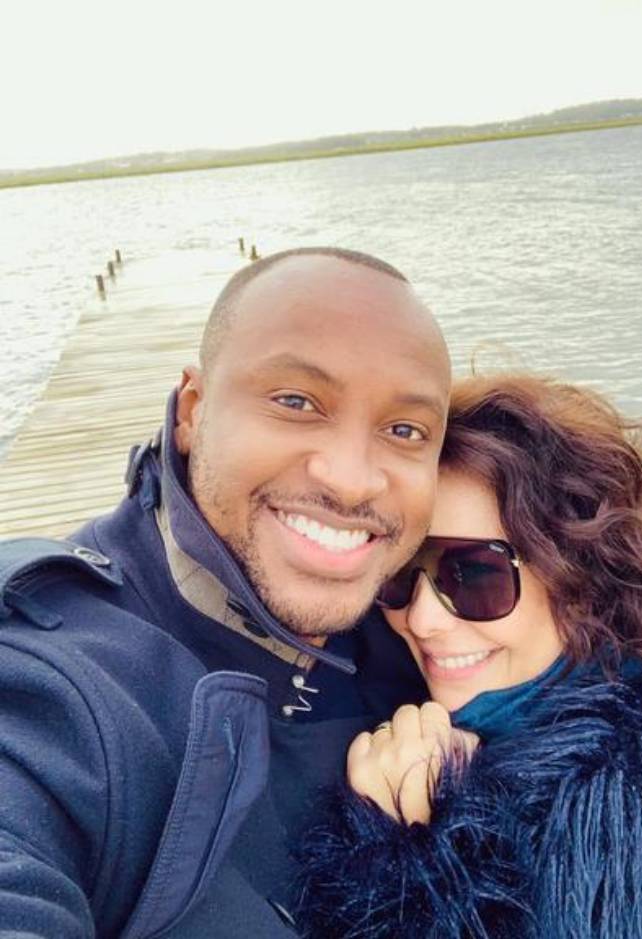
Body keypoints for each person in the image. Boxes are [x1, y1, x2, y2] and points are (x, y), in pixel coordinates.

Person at [0, 247, 451, 938]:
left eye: (404, 430)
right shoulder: (53, 690)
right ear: (193, 410)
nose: (352, 479)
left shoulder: (434, 621)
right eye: (296, 402)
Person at [295, 373, 642, 939]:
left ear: (579, 578)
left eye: (473, 574)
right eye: (400, 571)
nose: (422, 618)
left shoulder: (635, 801)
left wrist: (403, 859)